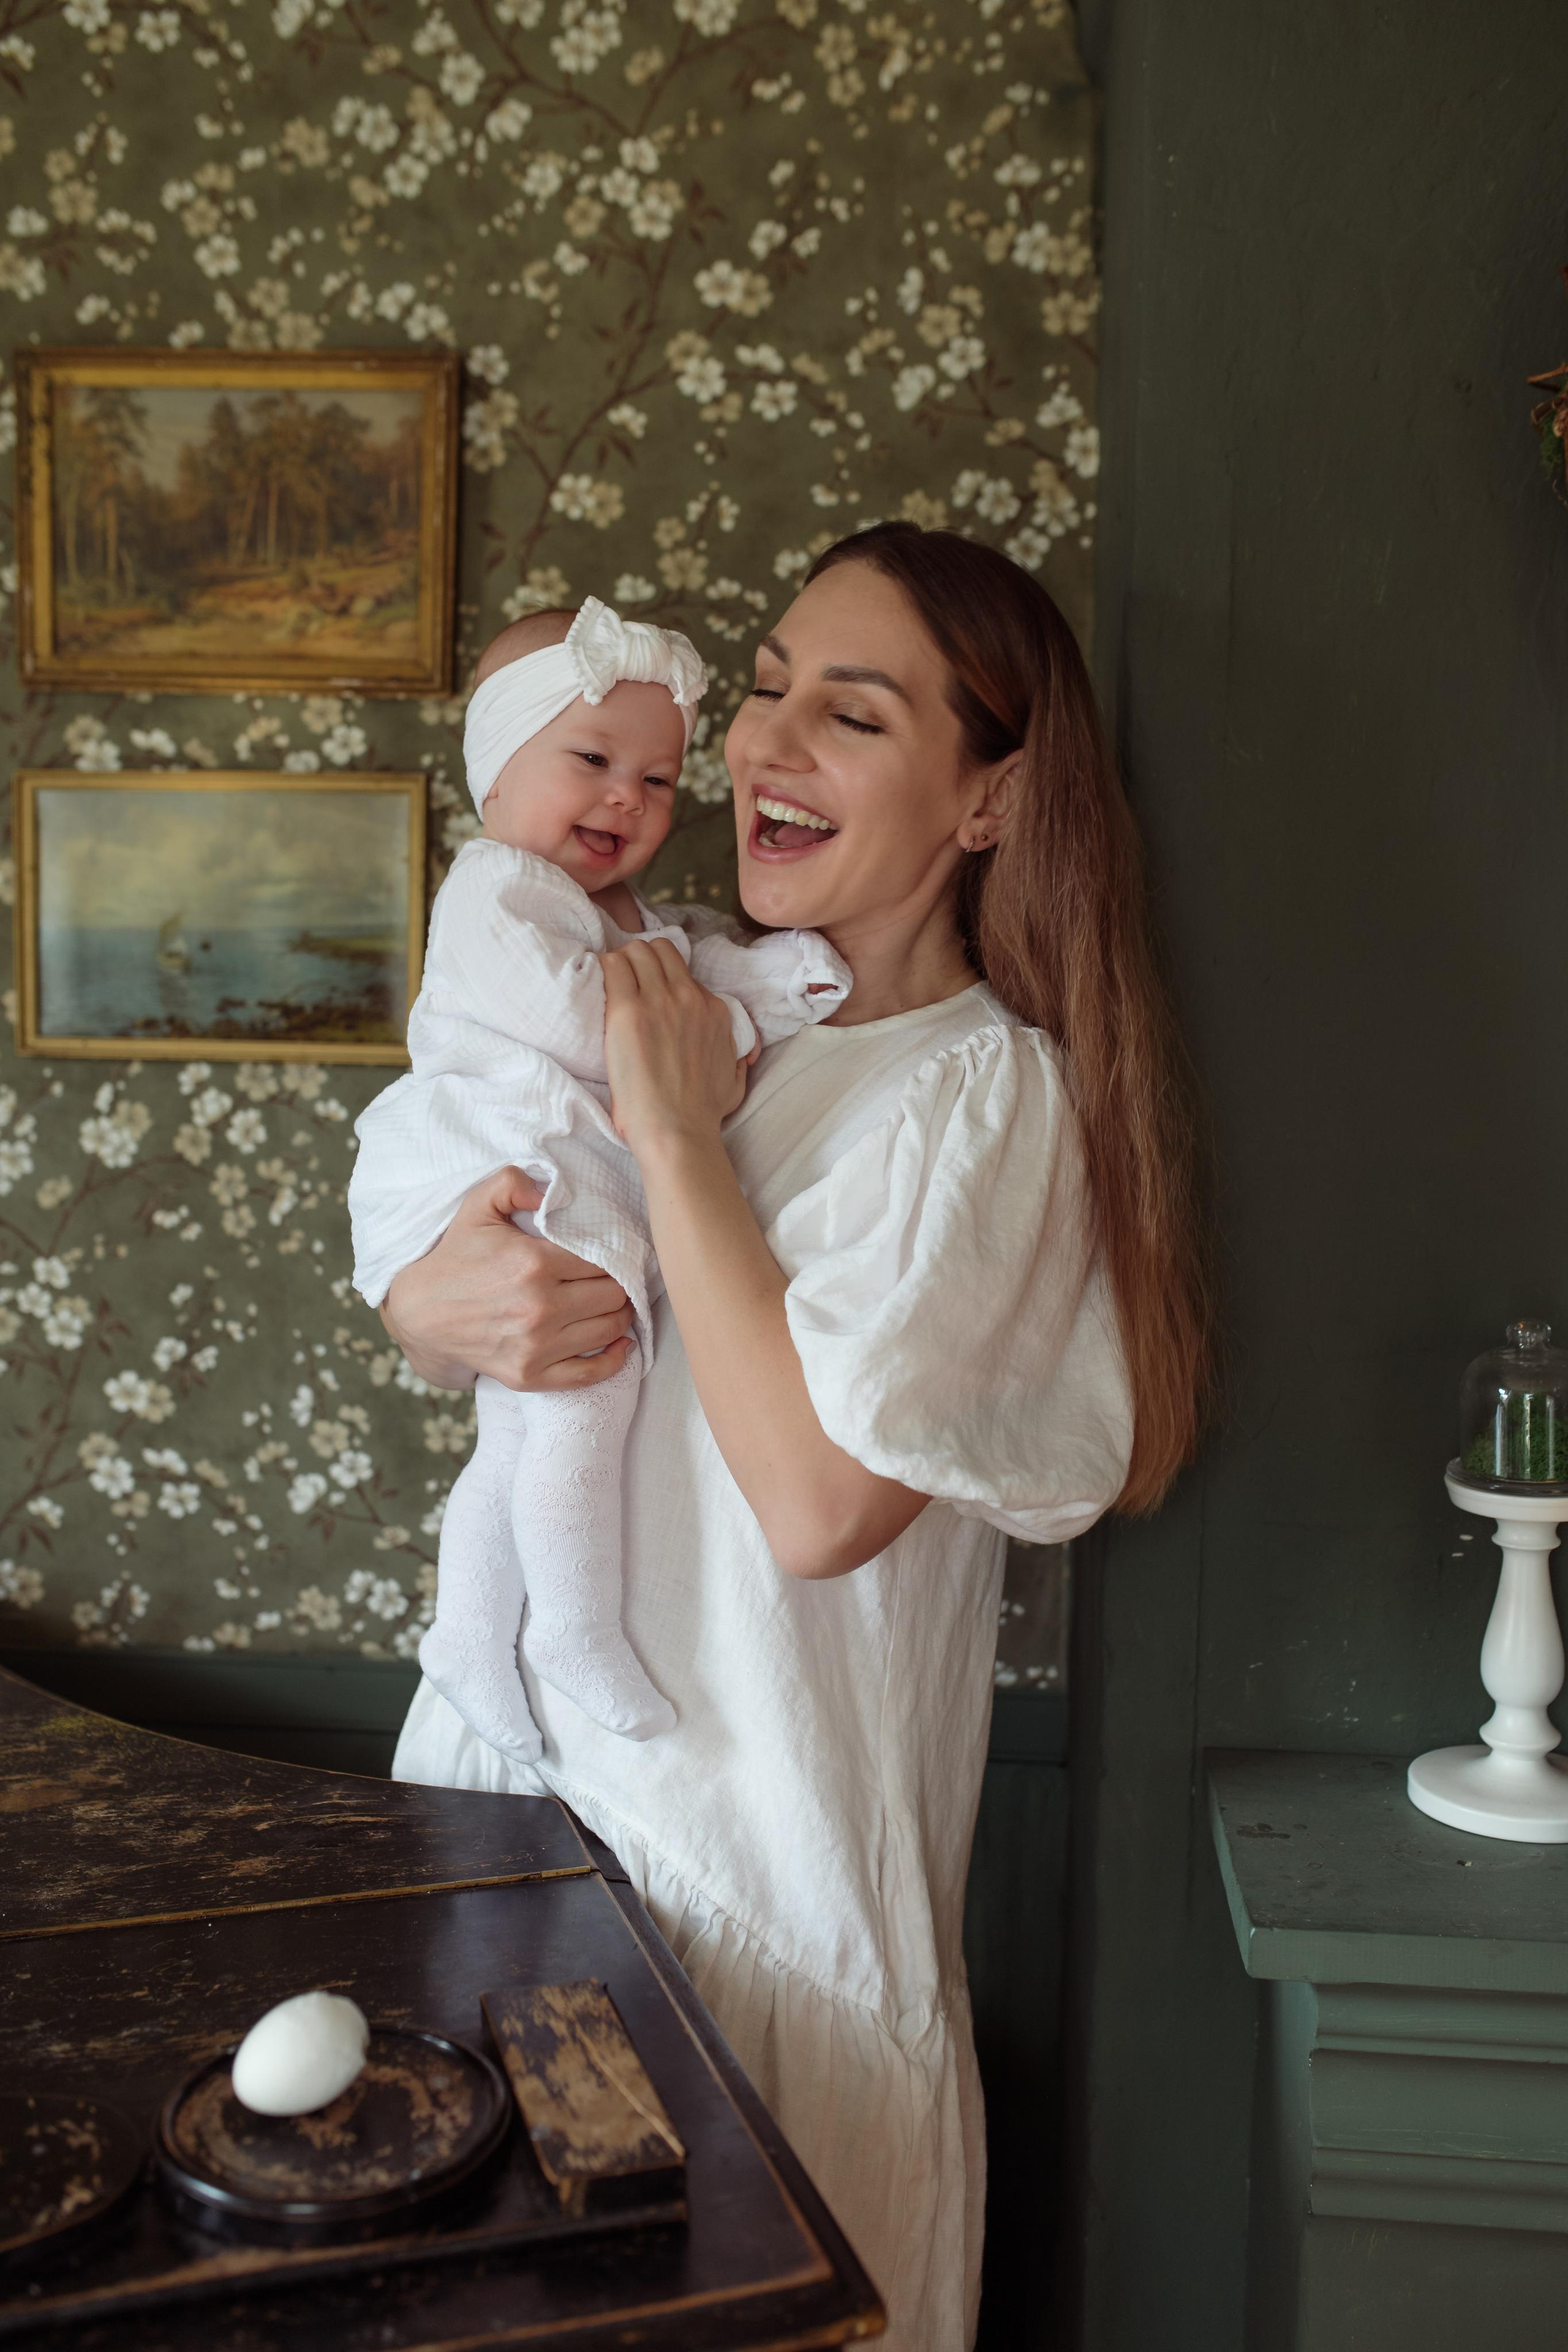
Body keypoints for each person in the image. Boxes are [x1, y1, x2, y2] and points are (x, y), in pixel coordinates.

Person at [382, 524, 1210, 2352]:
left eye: (850, 712)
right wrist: (423, 1306)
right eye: (761, 691)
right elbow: (502, 1234)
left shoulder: (978, 1098)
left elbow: (822, 1501)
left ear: (990, 800)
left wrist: (679, 1147)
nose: (766, 747)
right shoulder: (679, 1005)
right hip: (507, 1841)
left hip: (757, 1932)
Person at [350, 597, 850, 1763]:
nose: (628, 798)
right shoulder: (497, 891)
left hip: (547, 1182)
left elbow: (688, 963)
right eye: (592, 761)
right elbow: (588, 1021)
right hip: (494, 1174)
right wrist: (720, 1031)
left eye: (659, 780)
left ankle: (471, 1638)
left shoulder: (619, 911)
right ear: (498, 766)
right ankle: (571, 1630)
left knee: (518, 1438)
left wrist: (777, 982)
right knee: (591, 1392)